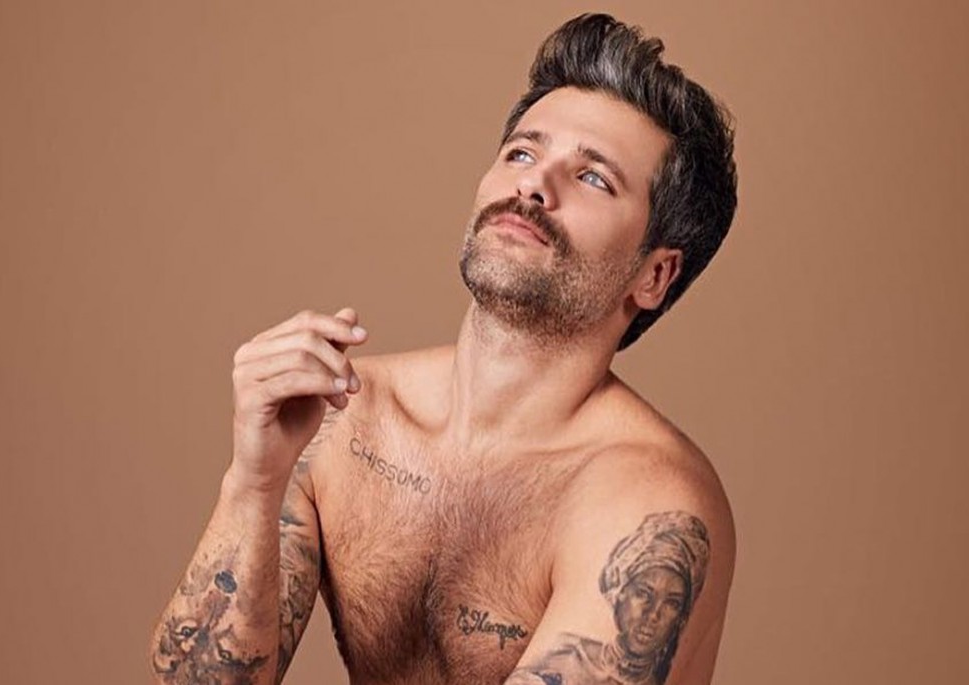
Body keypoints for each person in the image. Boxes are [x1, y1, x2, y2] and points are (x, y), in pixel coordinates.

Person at [150, 12, 738, 685]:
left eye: (593, 178)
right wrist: (253, 484)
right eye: (522, 153)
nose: (533, 186)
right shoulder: (343, 418)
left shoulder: (648, 507)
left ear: (654, 275)